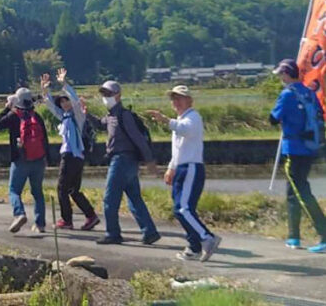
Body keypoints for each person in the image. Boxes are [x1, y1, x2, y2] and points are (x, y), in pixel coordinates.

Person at [270, 58, 326, 253]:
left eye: (280, 74)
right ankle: (293, 236)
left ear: (286, 74)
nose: (280, 78)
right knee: (293, 192)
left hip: (293, 148)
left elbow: (273, 119)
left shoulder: (287, 94)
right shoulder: (309, 92)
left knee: (302, 193)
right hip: (310, 147)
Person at [147, 85, 222, 261]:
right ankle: (194, 247)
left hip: (191, 168)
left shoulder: (193, 117)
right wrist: (171, 168)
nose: (176, 102)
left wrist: (165, 120)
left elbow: (184, 129)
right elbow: (178, 148)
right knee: (179, 210)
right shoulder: (180, 120)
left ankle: (207, 238)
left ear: (189, 100)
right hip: (181, 168)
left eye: (180, 98)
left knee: (184, 208)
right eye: (173, 99)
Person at [97, 80, 160, 246]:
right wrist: (83, 112)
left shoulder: (123, 115)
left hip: (122, 160)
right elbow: (99, 124)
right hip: (127, 163)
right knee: (134, 199)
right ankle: (150, 232)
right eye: (103, 94)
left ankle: (113, 233)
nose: (105, 97)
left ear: (118, 95)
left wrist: (150, 160)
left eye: (108, 94)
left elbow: (138, 139)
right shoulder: (110, 116)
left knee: (110, 199)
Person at [42, 68, 99, 231]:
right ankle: (91, 216)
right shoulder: (64, 117)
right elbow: (50, 106)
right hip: (76, 156)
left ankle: (67, 220)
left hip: (71, 156)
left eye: (66, 101)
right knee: (73, 190)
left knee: (61, 189)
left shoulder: (78, 116)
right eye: (62, 102)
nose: (65, 104)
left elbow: (75, 101)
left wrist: (65, 84)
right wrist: (45, 90)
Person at [0, 86, 49, 233]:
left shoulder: (13, 116)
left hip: (20, 160)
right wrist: (46, 158)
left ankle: (19, 214)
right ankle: (40, 224)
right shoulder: (36, 117)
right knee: (37, 192)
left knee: (14, 191)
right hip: (38, 160)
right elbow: (45, 139)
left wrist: (7, 107)